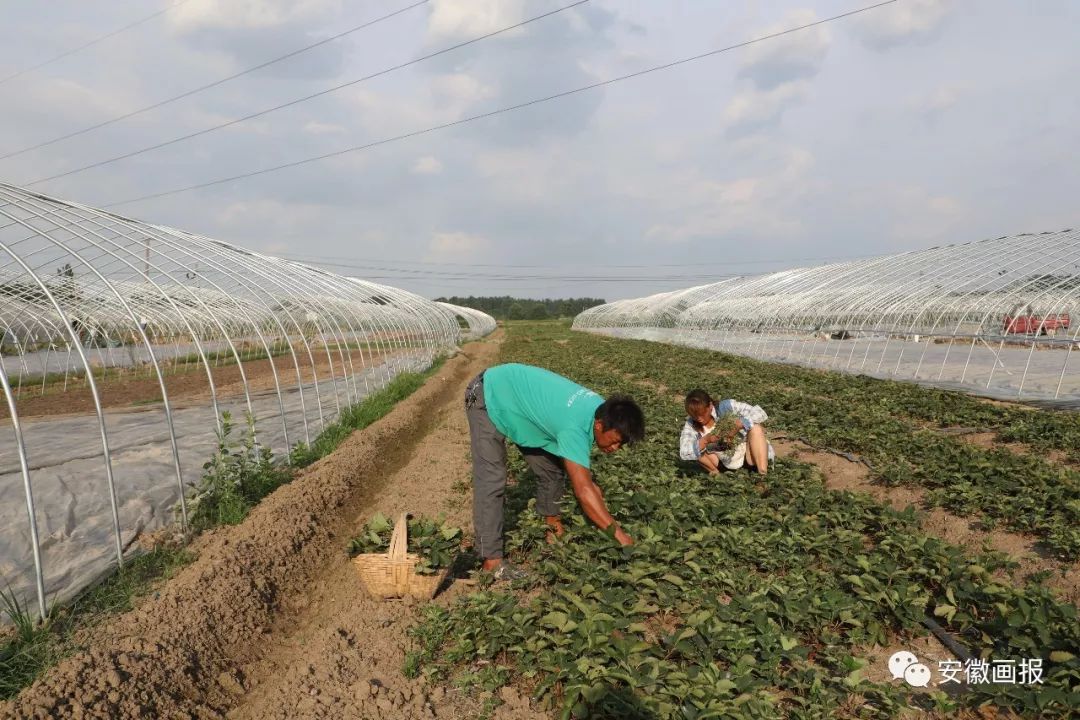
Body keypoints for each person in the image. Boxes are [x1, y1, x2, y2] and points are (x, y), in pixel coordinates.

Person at [464, 363, 645, 579]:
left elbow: (588, 484)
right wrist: (622, 539)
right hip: (489, 394)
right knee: (491, 479)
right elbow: (584, 491)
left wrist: (597, 502)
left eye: (621, 445)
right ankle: (491, 560)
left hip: (522, 407)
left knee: (551, 471)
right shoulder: (574, 427)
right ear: (599, 425)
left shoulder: (601, 410)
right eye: (615, 442)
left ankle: (553, 532)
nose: (615, 449)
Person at [679, 389, 774, 475]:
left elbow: (760, 412)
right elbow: (684, 451)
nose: (699, 419)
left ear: (710, 406)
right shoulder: (691, 424)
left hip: (747, 456)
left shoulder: (725, 407)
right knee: (695, 448)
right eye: (694, 415)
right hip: (722, 463)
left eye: (702, 413)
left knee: (756, 428)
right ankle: (716, 474)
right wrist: (706, 440)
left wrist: (739, 425)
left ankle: (762, 474)